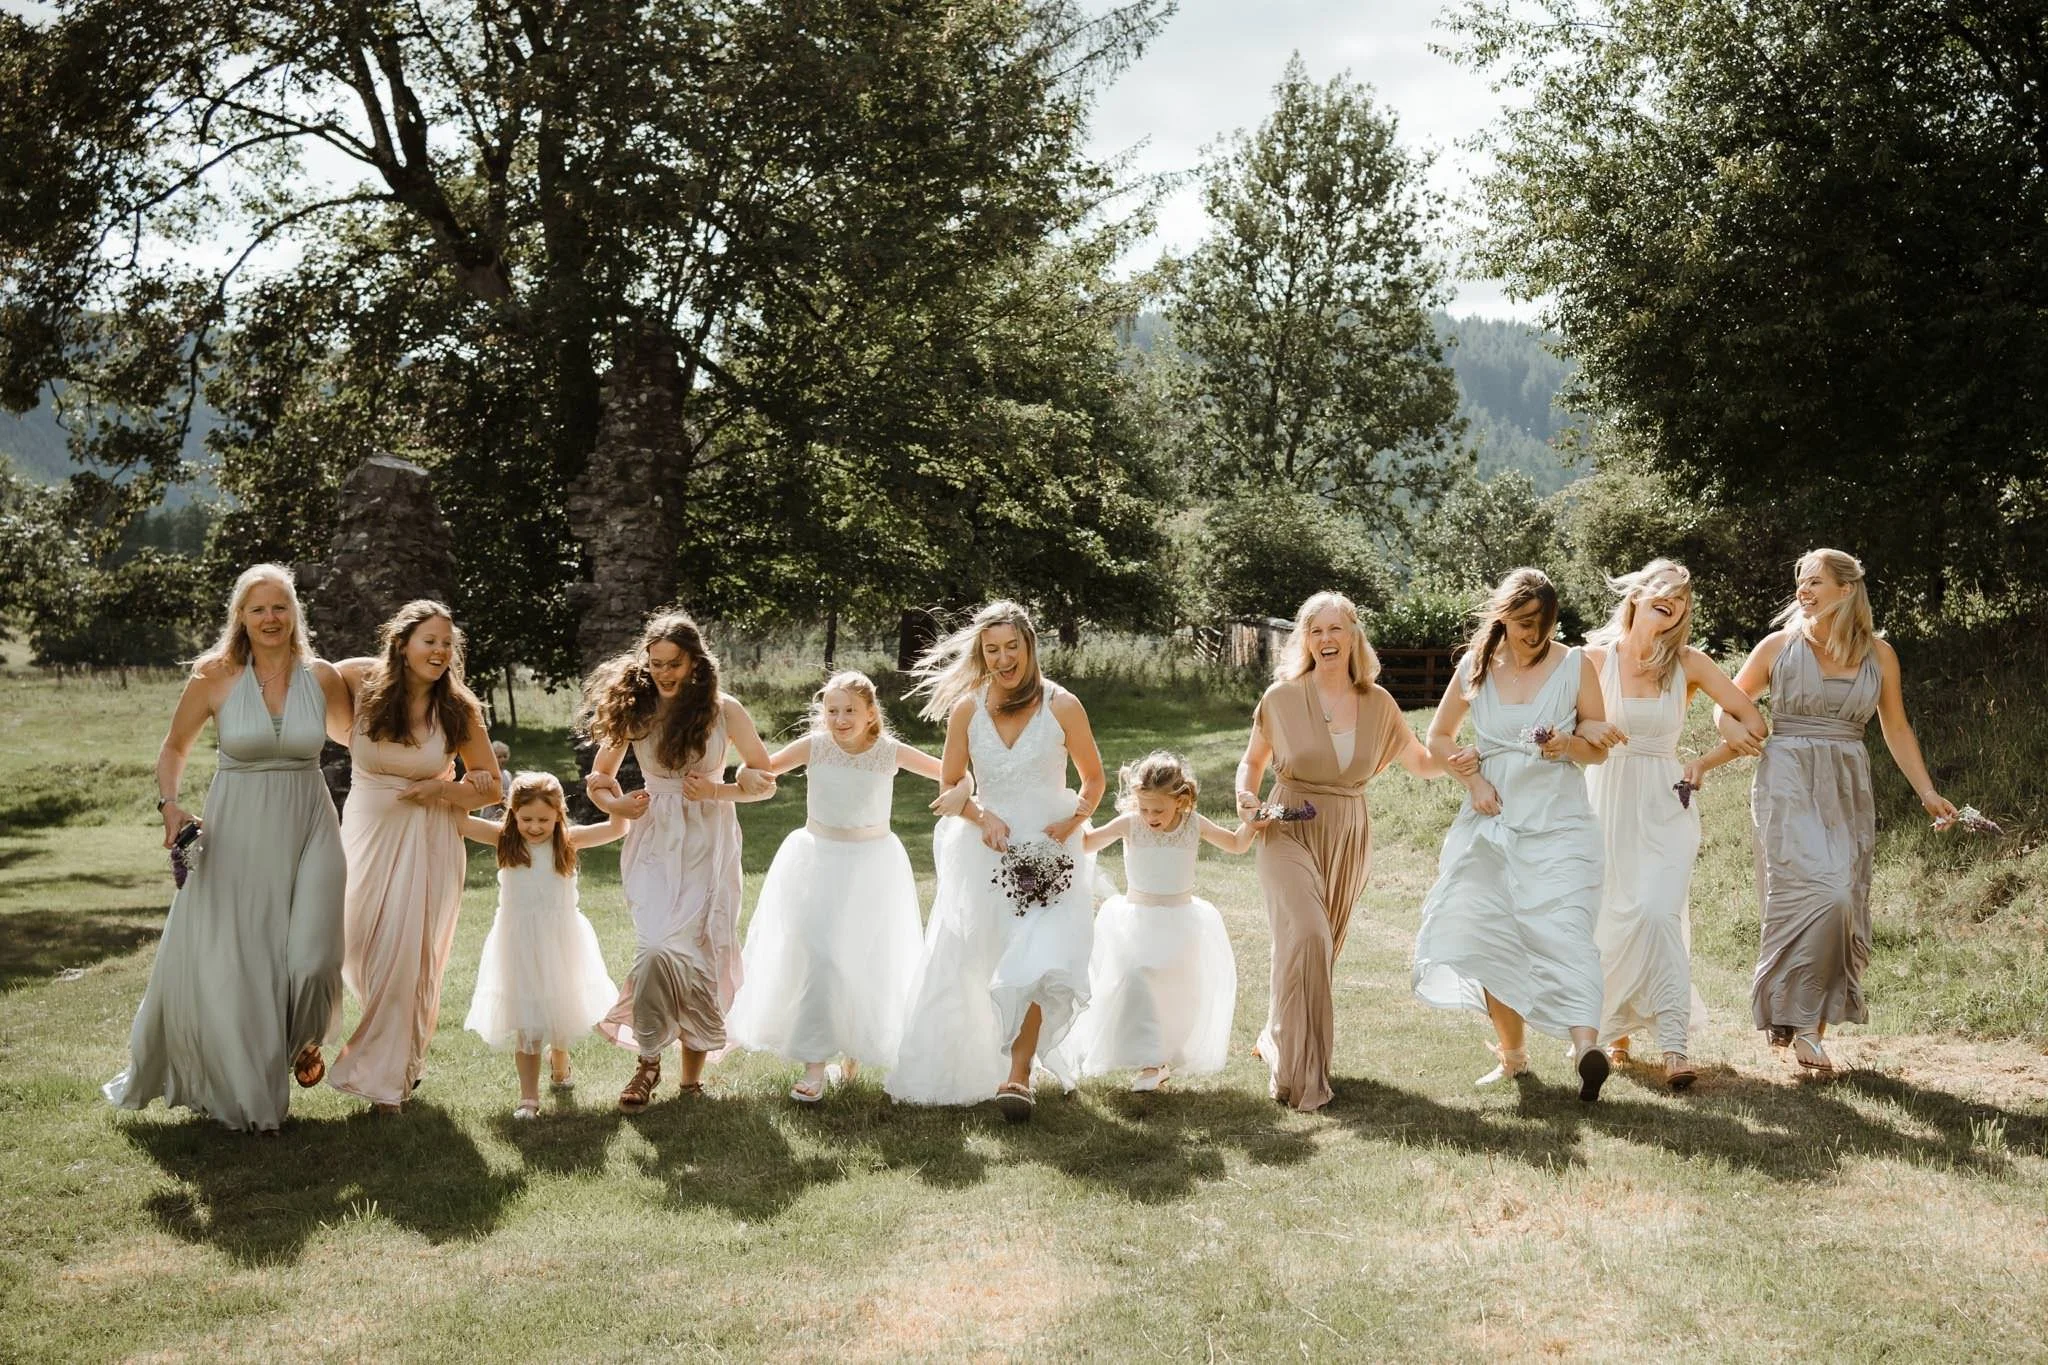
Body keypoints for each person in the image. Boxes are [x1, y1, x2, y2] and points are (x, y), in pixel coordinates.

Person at [105, 564, 354, 1133]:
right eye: (259, 608)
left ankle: (303, 1042)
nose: (271, 618)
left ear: (296, 614)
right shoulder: (214, 676)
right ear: (240, 616)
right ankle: (251, 1092)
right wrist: (170, 804)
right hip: (237, 827)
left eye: (281, 607)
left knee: (315, 959)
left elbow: (361, 740)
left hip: (313, 822)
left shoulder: (323, 678)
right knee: (244, 964)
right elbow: (174, 747)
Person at [1720, 548, 1958, 1073]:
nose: (1804, 591)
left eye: (1816, 583)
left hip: (1847, 783)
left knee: (1844, 900)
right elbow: (1727, 702)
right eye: (1801, 582)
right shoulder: (1779, 646)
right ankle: (1797, 1022)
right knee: (1816, 894)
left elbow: (1895, 728)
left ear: (1847, 591)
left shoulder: (1880, 655)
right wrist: (1734, 730)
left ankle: (1806, 1027)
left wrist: (1927, 793)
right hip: (1786, 778)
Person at [887, 601, 1106, 1122]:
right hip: (985, 849)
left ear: (1030, 647)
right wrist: (982, 817)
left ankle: (1019, 1074)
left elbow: (1094, 780)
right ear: (982, 655)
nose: (1004, 658)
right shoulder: (968, 708)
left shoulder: (1063, 705)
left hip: (1049, 850)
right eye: (992, 650)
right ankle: (977, 1060)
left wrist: (1073, 823)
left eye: (1012, 647)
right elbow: (950, 786)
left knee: (1037, 955)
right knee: (982, 957)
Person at [1234, 590, 1453, 1111]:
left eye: (1336, 629)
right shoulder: (1282, 698)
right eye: (1316, 631)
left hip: (1346, 835)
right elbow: (1252, 763)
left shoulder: (1379, 704)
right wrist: (1246, 797)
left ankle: (1276, 1037)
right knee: (1306, 934)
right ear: (1305, 641)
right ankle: (1301, 1074)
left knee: (1313, 952)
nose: (1326, 640)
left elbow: (1422, 763)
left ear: (1354, 636)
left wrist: (1459, 756)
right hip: (1286, 825)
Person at [1413, 568, 1623, 1101]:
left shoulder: (1576, 665)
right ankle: (1512, 1057)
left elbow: (1595, 745)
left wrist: (1566, 746)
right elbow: (1438, 735)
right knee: (1489, 928)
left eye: (1546, 623)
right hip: (1493, 816)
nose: (1537, 634)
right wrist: (1473, 778)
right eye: (1526, 623)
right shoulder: (1476, 667)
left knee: (1566, 926)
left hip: (1560, 819)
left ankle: (1585, 1048)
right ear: (1503, 616)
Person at [726, 671, 971, 1102]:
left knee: (863, 957)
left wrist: (963, 788)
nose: (840, 719)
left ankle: (854, 1053)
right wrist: (745, 773)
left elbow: (954, 774)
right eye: (832, 711)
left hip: (873, 865)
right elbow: (761, 766)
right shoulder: (814, 747)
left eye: (850, 711)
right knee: (820, 954)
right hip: (818, 858)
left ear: (870, 713)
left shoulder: (888, 752)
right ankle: (815, 1064)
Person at [581, 610, 778, 1111]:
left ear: (695, 663)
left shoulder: (724, 710)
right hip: (653, 837)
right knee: (654, 948)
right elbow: (600, 777)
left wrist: (720, 788)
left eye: (673, 664)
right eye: (656, 664)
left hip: (708, 838)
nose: (664, 674)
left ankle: (691, 1080)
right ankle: (648, 1059)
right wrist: (616, 804)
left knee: (698, 950)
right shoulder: (637, 708)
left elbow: (764, 778)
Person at [1582, 559, 1767, 1089]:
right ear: (1637, 595)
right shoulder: (1594, 660)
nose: (1673, 600)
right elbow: (1567, 729)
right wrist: (1589, 730)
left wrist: (1704, 761)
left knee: (1659, 913)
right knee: (1614, 919)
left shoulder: (1689, 663)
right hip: (1606, 799)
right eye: (1664, 590)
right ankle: (1610, 1034)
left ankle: (1674, 1047)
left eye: (1683, 596)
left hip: (1667, 801)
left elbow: (1752, 722)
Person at [328, 600, 503, 1113]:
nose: (441, 651)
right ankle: (397, 1057)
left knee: (405, 960)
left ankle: (388, 1082)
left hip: (427, 843)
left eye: (448, 643)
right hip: (362, 836)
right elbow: (311, 679)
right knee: (355, 950)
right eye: (430, 640)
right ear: (402, 643)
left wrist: (442, 793)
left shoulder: (458, 708)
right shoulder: (360, 682)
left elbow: (489, 786)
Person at [1071, 751, 1260, 1092]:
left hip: (1180, 921)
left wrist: (1254, 824)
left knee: (1174, 994)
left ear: (1181, 800)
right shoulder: (1129, 824)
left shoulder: (1193, 824)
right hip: (1136, 921)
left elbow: (1235, 844)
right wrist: (1067, 818)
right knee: (1137, 977)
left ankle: (1160, 1060)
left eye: (1157, 810)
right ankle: (1150, 1064)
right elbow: (1086, 843)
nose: (1149, 816)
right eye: (1143, 808)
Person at [461, 771, 629, 1118]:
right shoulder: (505, 839)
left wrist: (615, 797)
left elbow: (616, 829)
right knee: (528, 1019)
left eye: (544, 819)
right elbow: (459, 821)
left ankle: (561, 1058)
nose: (535, 827)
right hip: (516, 941)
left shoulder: (567, 840)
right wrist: (467, 788)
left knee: (560, 1006)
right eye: (526, 819)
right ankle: (528, 1098)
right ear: (513, 814)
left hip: (562, 937)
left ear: (558, 815)